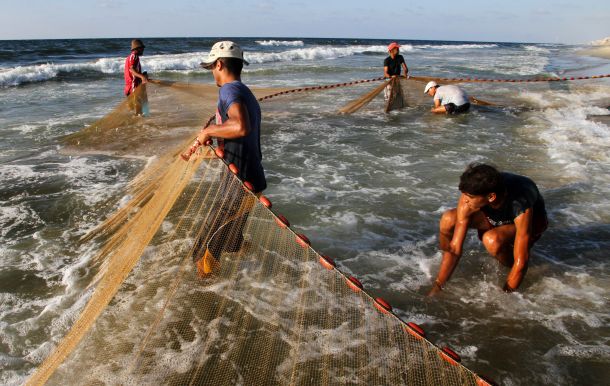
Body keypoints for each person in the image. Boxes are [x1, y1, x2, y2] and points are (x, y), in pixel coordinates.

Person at [193, 41, 266, 276]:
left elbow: (240, 126)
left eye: (212, 68)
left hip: (239, 183)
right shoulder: (244, 91)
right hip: (251, 179)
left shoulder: (229, 90)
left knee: (206, 249)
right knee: (233, 241)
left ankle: (203, 291)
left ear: (220, 64)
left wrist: (208, 131)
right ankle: (253, 275)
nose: (212, 74)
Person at [428, 163, 548, 295]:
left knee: (492, 240)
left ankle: (513, 268)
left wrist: (504, 298)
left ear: (491, 197)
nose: (465, 200)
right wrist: (438, 286)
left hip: (532, 222)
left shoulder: (519, 203)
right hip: (495, 216)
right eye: (464, 194)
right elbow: (455, 249)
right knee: (448, 219)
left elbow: (522, 260)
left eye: (470, 197)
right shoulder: (471, 193)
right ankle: (444, 261)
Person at [124, 39, 149, 115]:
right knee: (138, 112)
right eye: (142, 48)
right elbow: (132, 70)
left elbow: (133, 72)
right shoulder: (134, 57)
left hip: (129, 88)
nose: (143, 50)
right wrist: (142, 77)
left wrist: (142, 74)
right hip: (133, 88)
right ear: (137, 49)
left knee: (133, 110)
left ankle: (133, 125)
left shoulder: (130, 57)